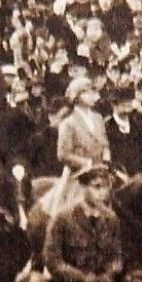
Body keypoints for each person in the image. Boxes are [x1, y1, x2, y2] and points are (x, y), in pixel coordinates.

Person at [46, 75, 111, 213]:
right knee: (62, 208)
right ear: (77, 96)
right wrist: (87, 163)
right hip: (78, 173)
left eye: (93, 92)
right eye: (88, 92)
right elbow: (63, 155)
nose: (93, 96)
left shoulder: (98, 118)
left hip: (101, 169)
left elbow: (104, 142)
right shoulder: (68, 122)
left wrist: (106, 155)